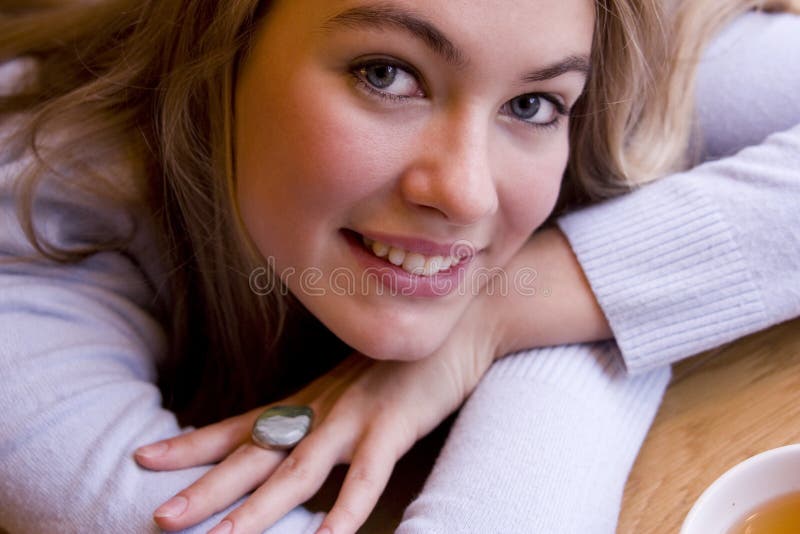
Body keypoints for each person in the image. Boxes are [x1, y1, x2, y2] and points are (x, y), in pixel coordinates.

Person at [0, 2, 798, 534]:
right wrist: (608, 332)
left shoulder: (586, 36)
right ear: (223, 42)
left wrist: (504, 319)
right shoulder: (36, 230)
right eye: (386, 73)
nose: (464, 191)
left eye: (533, 106)